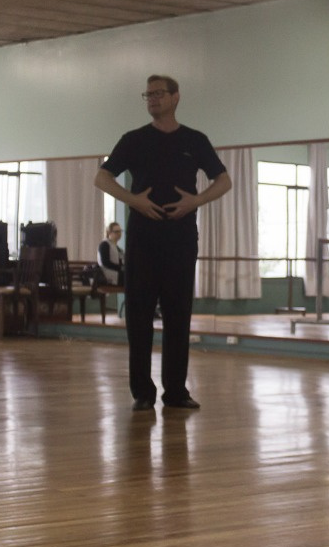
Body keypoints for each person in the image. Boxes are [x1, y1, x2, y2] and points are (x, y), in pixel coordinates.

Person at [95, 75, 231, 411]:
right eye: (148, 94)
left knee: (178, 315)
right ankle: (142, 392)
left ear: (175, 97)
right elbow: (102, 177)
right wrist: (134, 201)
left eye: (158, 93)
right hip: (143, 239)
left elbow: (223, 180)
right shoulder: (134, 140)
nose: (153, 99)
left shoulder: (195, 140)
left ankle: (176, 392)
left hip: (181, 239)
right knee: (139, 316)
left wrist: (196, 201)